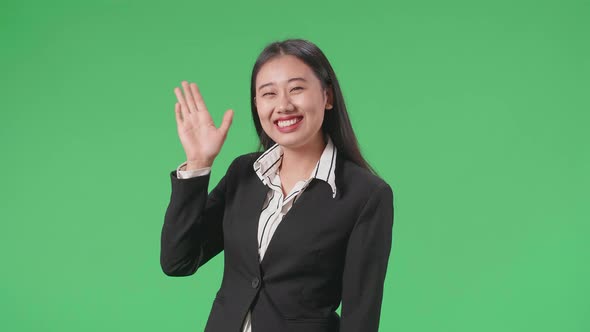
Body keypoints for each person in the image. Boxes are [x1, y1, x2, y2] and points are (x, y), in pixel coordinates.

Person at [160, 39, 395, 332]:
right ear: (257, 104)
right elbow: (178, 261)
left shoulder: (366, 195)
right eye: (268, 93)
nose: (283, 105)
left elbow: (361, 315)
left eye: (296, 88)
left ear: (328, 96)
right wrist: (198, 163)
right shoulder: (243, 173)